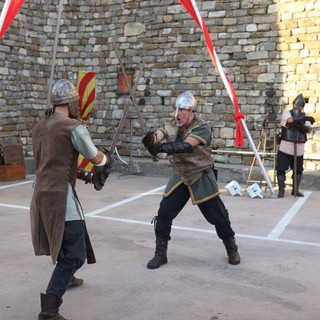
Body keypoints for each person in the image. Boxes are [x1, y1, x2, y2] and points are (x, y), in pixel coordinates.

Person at [30, 79, 111, 320]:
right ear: (71, 102)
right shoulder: (72, 127)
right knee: (74, 254)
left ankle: (68, 278)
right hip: (59, 198)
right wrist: (105, 161)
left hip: (41, 195)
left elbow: (55, 162)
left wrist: (85, 175)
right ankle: (50, 309)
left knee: (73, 240)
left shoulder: (39, 128)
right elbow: (94, 156)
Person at [142, 91, 240, 269]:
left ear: (191, 112)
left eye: (182, 110)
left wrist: (161, 148)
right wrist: (151, 139)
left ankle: (231, 247)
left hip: (200, 174)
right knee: (164, 213)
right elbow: (161, 132)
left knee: (218, 216)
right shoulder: (173, 124)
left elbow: (186, 146)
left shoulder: (202, 127)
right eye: (176, 109)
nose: (177, 113)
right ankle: (160, 253)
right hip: (180, 175)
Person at [276, 94, 314, 198]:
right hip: (286, 146)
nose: (299, 107)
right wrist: (302, 119)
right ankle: (281, 190)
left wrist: (302, 124)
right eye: (297, 104)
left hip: (299, 146)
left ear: (303, 107)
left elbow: (308, 129)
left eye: (301, 105)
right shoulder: (287, 113)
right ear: (293, 104)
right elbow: (289, 121)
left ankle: (295, 190)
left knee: (298, 170)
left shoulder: (305, 115)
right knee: (281, 168)